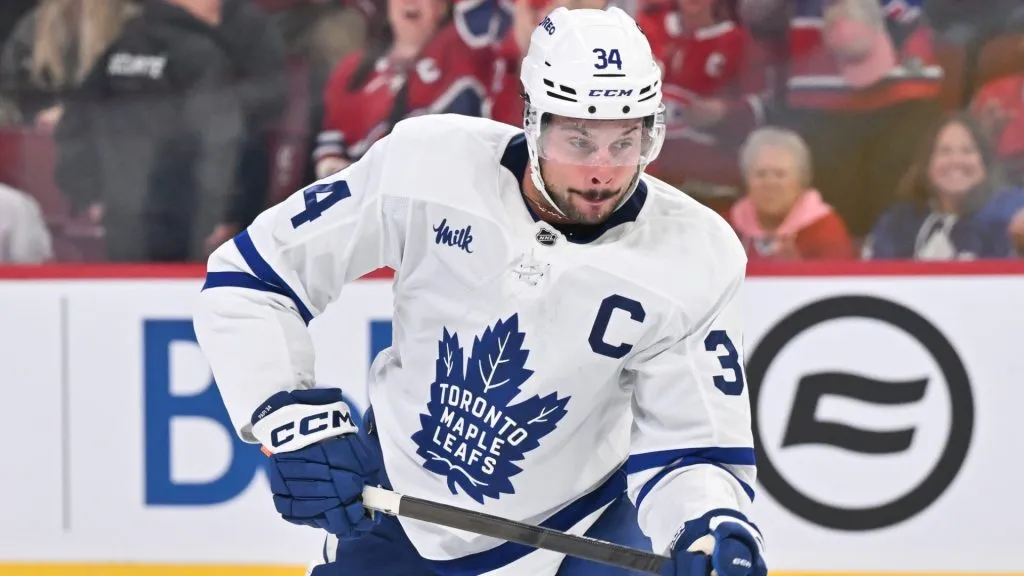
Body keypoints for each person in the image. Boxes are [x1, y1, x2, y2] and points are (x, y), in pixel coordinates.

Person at [193, 7, 767, 576]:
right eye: (578, 139)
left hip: (583, 523)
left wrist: (709, 525)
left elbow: (694, 446)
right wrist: (288, 414)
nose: (603, 171)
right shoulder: (428, 163)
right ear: (532, 120)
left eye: (626, 142)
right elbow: (253, 277)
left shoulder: (695, 254)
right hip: (398, 510)